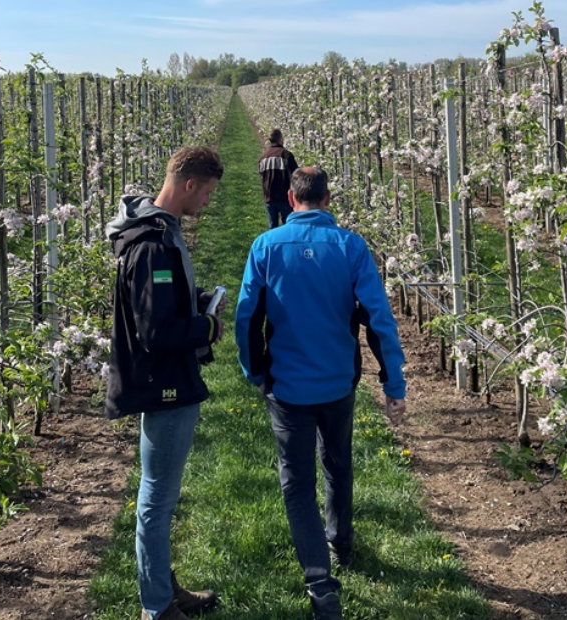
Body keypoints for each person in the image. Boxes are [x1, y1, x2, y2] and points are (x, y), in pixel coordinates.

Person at [235, 167, 407, 620]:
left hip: (287, 386)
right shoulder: (351, 247)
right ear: (328, 199)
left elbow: (247, 317)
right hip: (337, 381)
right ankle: (340, 540)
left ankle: (319, 581)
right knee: (337, 461)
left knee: (296, 481)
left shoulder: (266, 246)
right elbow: (378, 318)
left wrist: (256, 372)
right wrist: (393, 384)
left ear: (291, 199)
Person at [104, 146, 226, 620]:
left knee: (160, 495)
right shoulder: (153, 245)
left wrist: (194, 298)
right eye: (208, 193)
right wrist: (206, 327)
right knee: (157, 498)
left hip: (167, 380)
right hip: (165, 384)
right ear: (189, 185)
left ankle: (162, 586)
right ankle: (157, 607)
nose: (208, 203)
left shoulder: (158, 233)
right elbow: (155, 331)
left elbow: (159, 301)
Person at [258, 128, 298, 229]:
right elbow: (296, 174)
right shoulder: (286, 155)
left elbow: (262, 175)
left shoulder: (263, 157)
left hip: (269, 196)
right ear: (280, 139)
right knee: (288, 225)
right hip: (284, 196)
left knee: (273, 226)